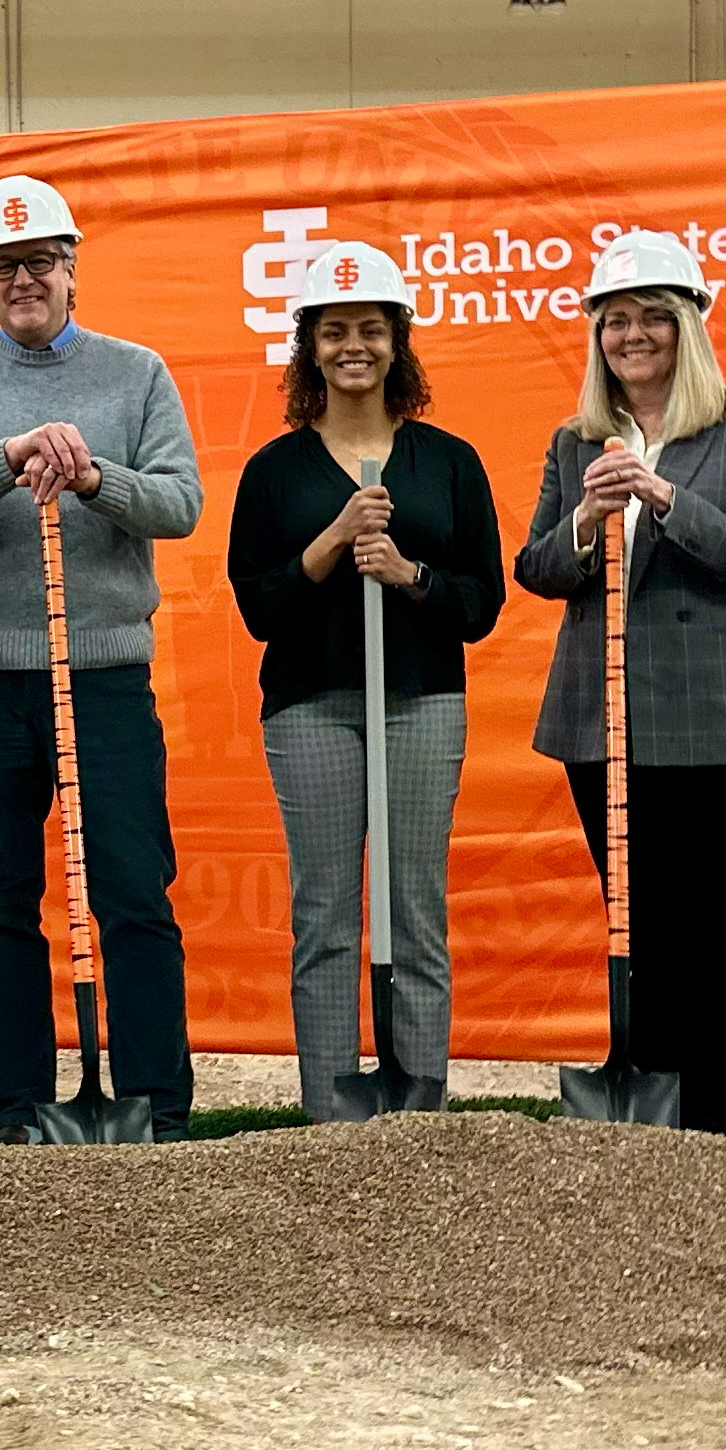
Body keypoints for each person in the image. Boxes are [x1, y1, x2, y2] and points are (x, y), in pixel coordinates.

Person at [0, 172, 204, 1139]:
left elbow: (180, 504)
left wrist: (97, 478)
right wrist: (8, 454)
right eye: (2, 267)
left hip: (103, 668)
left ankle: (155, 1099)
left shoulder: (138, 373)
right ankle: (20, 1103)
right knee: (2, 893)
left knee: (131, 884)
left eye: (39, 263)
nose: (22, 280)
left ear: (73, 270)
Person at [512, 232, 726, 1136]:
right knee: (634, 921)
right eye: (615, 321)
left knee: (713, 922)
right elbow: (535, 568)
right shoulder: (574, 444)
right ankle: (653, 1095)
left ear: (688, 328)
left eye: (650, 319)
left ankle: (720, 1115)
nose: (631, 336)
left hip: (719, 721)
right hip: (604, 721)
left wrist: (665, 497)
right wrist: (589, 522)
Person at [226, 242, 504, 1120]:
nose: (355, 346)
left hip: (421, 703)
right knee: (327, 916)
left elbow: (482, 600)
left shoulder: (447, 462)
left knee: (416, 907)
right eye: (335, 331)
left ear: (398, 343)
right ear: (308, 347)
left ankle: (419, 1105)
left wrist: (410, 575)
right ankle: (328, 1109)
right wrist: (334, 539)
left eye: (372, 330)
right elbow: (259, 605)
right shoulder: (275, 472)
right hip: (311, 707)